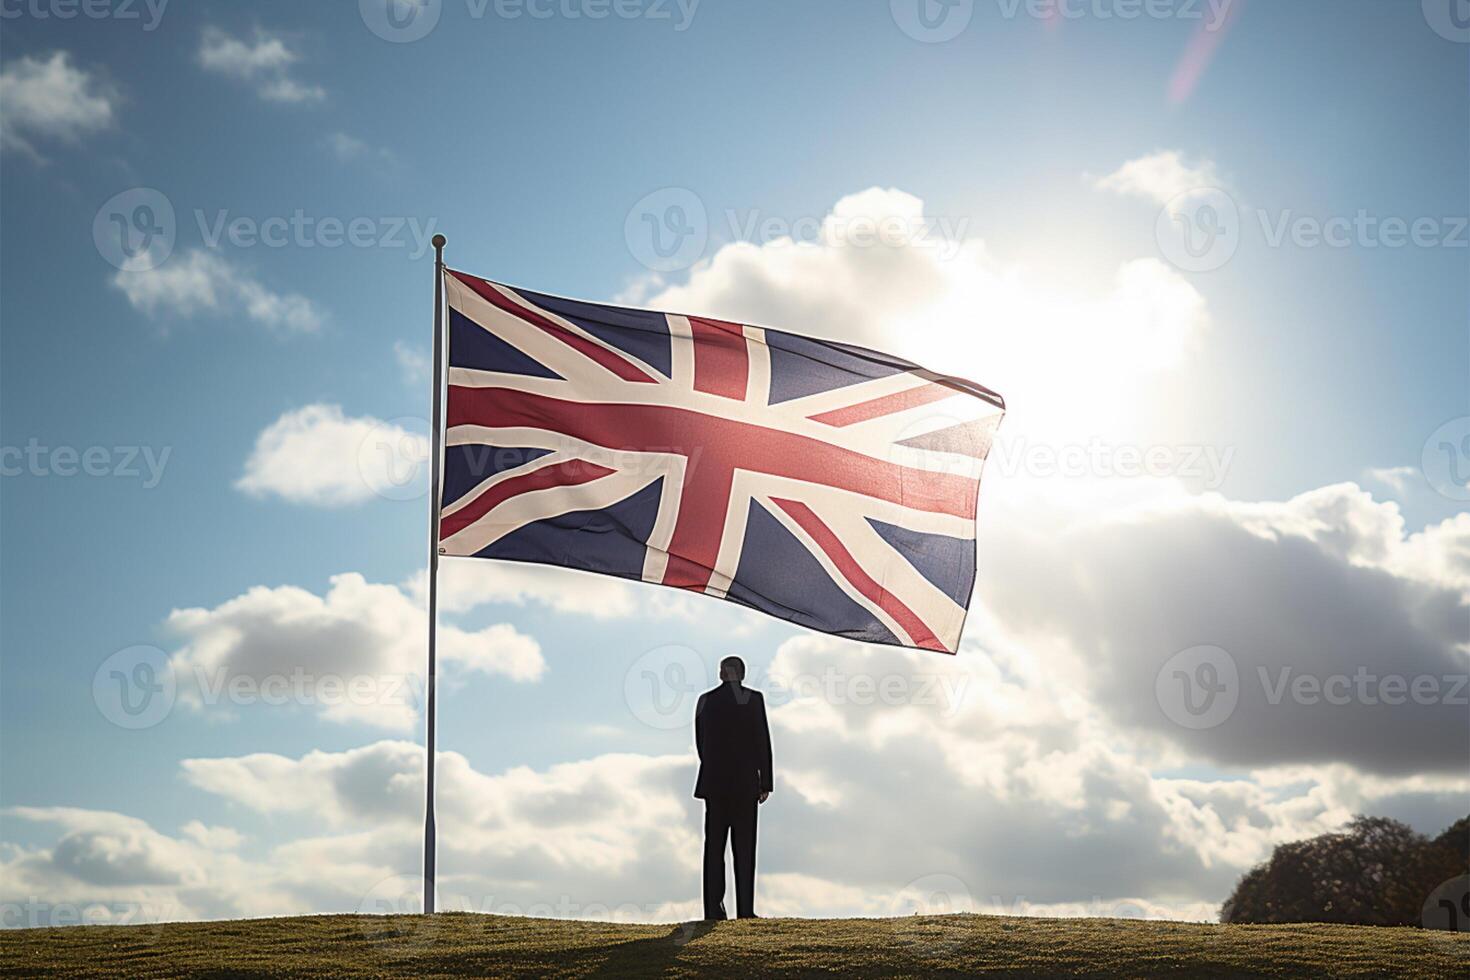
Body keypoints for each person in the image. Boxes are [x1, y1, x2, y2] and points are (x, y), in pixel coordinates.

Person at [693, 655, 773, 920]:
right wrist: (765, 781)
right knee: (745, 849)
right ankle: (745, 910)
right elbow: (762, 740)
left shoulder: (706, 701)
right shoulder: (754, 699)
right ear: (742, 673)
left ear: (721, 673)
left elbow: (701, 743)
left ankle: (713, 910)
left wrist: (714, 769)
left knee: (714, 849)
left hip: (715, 784)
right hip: (745, 784)